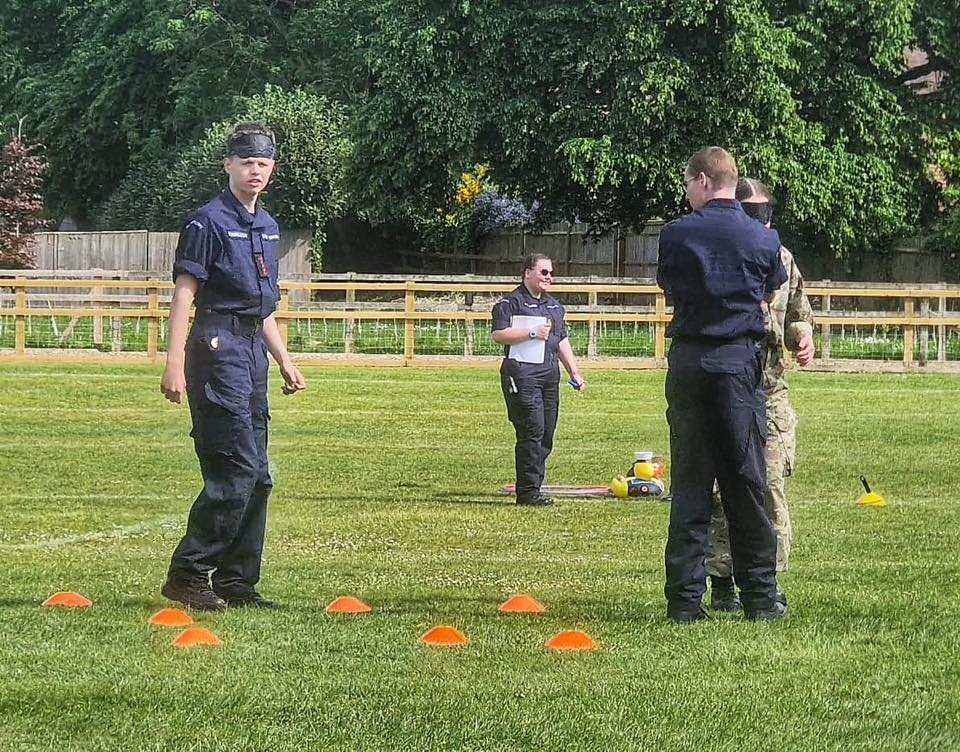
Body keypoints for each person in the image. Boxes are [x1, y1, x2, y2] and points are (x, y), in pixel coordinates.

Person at [159, 122, 306, 611]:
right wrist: (174, 361)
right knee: (235, 469)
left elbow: (260, 306)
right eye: (246, 162)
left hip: (252, 352)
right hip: (216, 348)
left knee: (260, 474)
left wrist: (284, 360)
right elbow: (185, 294)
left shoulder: (266, 225)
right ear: (228, 166)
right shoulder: (207, 222)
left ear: (273, 169)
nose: (255, 170)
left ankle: (237, 582)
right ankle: (188, 574)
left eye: (263, 163)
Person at [656, 147, 788, 623]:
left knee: (691, 483)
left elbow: (669, 285)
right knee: (746, 483)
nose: (687, 191)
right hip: (738, 365)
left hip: (691, 362)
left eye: (689, 183)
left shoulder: (675, 234)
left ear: (705, 181)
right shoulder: (763, 240)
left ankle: (685, 602)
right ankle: (760, 596)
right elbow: (769, 293)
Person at [706, 177, 816, 611]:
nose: (762, 220)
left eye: (766, 212)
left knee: (768, 486)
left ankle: (765, 583)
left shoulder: (782, 259)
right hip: (726, 386)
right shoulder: (718, 255)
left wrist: (802, 336)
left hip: (768, 390)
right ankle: (721, 583)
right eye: (752, 212)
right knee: (719, 490)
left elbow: (798, 313)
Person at [492, 254, 584, 506]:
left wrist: (574, 371)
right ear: (527, 273)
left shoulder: (554, 306)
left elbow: (561, 339)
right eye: (544, 272)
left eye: (551, 273)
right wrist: (531, 332)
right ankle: (528, 492)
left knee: (546, 433)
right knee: (532, 430)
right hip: (521, 375)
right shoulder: (510, 303)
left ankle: (533, 485)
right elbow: (499, 335)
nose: (549, 277)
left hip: (548, 377)